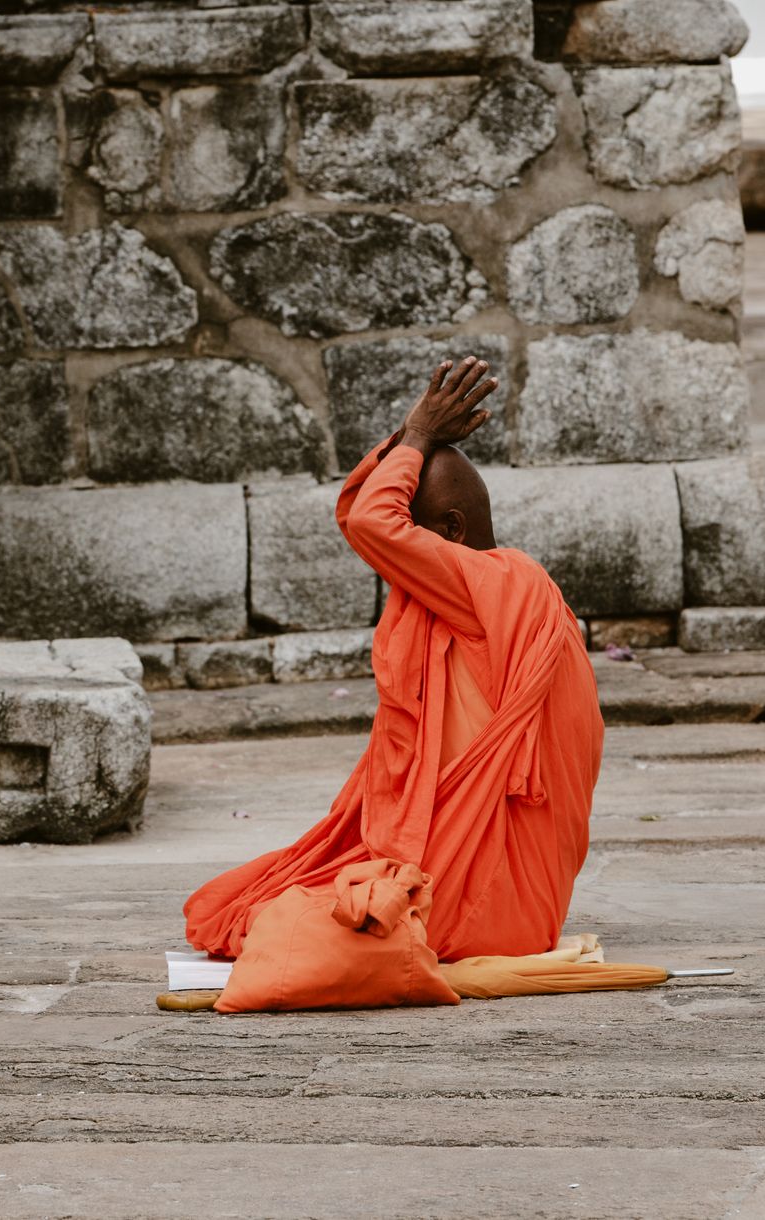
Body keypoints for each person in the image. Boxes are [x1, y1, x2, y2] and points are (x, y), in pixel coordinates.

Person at [184, 355, 605, 980]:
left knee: (264, 918)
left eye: (420, 530)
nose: (401, 558)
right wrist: (412, 443)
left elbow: (370, 521)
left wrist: (415, 436)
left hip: (465, 905)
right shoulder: (518, 593)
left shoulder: (485, 583)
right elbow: (371, 519)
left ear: (452, 531)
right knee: (272, 899)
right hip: (529, 908)